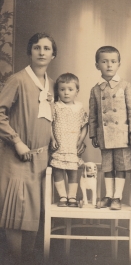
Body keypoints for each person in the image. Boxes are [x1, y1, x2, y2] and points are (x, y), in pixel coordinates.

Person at [0, 32, 57, 264]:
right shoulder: (18, 80)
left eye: (46, 48)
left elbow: (49, 119)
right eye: (36, 48)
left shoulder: (52, 85)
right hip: (17, 156)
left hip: (43, 158)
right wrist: (17, 141)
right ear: (29, 52)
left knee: (35, 212)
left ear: (53, 55)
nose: (41, 52)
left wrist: (53, 138)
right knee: (16, 213)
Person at [89, 46, 131, 210]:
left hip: (122, 135)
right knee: (107, 166)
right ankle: (108, 195)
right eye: (104, 62)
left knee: (122, 166)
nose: (109, 65)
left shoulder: (125, 85)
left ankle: (117, 196)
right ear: (97, 65)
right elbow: (93, 115)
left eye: (113, 61)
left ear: (118, 64)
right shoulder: (96, 89)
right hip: (104, 134)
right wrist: (93, 134)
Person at [50, 73, 88, 207]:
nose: (66, 93)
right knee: (58, 169)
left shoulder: (79, 108)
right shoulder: (55, 106)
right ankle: (62, 197)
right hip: (60, 144)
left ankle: (72, 197)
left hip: (73, 145)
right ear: (58, 91)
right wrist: (52, 138)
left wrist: (80, 141)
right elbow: (49, 123)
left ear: (77, 91)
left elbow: (84, 126)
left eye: (70, 89)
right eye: (62, 89)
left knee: (73, 171)